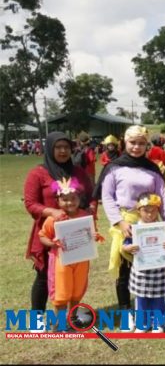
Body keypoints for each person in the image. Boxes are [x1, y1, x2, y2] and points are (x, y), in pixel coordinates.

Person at [95, 125, 165, 331]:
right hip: (125, 221)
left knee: (149, 268)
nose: (137, 147)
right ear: (124, 143)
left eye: (141, 143)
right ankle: (127, 313)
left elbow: (163, 197)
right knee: (124, 270)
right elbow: (107, 196)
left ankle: (154, 315)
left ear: (147, 145)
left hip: (150, 223)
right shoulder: (114, 167)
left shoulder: (153, 169)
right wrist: (119, 222)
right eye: (132, 143)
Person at [23, 132, 96, 332]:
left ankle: (71, 318)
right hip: (48, 232)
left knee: (73, 277)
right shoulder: (38, 173)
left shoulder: (79, 172)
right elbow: (30, 204)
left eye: (66, 147)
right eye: (58, 147)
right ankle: (37, 319)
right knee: (43, 276)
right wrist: (52, 212)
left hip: (75, 233)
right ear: (49, 149)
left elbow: (91, 196)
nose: (63, 151)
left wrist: (89, 210)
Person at [38, 177, 103, 330]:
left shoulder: (85, 216)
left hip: (81, 259)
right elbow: (42, 236)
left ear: (79, 199)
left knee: (77, 290)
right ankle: (59, 323)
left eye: (73, 198)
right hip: (62, 261)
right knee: (62, 292)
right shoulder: (54, 219)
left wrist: (94, 236)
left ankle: (73, 319)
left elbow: (91, 233)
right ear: (58, 201)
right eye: (65, 199)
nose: (70, 202)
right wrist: (52, 243)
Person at [122, 193, 165, 333]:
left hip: (158, 269)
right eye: (146, 210)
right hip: (141, 270)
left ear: (157, 211)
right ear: (138, 211)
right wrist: (129, 248)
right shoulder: (134, 228)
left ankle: (158, 323)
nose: (149, 214)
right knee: (141, 297)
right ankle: (142, 323)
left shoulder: (162, 227)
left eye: (153, 210)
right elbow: (124, 245)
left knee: (158, 297)